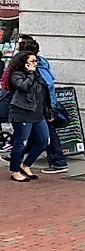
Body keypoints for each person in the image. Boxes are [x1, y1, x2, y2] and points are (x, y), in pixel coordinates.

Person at [18, 36, 68, 173]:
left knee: (47, 133)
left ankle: (58, 161)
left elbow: (45, 84)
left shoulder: (33, 65)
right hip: (44, 103)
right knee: (35, 131)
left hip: (42, 105)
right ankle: (17, 155)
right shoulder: (41, 62)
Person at [5, 52, 50, 182]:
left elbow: (43, 92)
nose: (36, 64)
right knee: (21, 143)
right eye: (33, 61)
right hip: (22, 113)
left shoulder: (37, 74)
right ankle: (14, 170)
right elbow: (23, 87)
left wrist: (48, 110)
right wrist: (30, 73)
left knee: (44, 140)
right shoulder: (16, 75)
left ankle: (26, 165)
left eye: (36, 61)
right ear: (25, 63)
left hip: (37, 113)